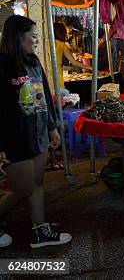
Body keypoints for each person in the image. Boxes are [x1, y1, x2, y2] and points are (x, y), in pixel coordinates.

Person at [0, 16, 72, 249]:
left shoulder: (33, 61)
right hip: (14, 137)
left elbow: (46, 96)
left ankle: (40, 232)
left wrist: (52, 126)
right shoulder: (2, 65)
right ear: (19, 36)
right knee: (23, 189)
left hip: (39, 132)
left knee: (38, 183)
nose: (37, 41)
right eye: (33, 36)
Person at [53, 22, 91, 90]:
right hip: (58, 78)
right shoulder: (62, 45)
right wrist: (90, 67)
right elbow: (74, 62)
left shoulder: (47, 44)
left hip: (48, 78)